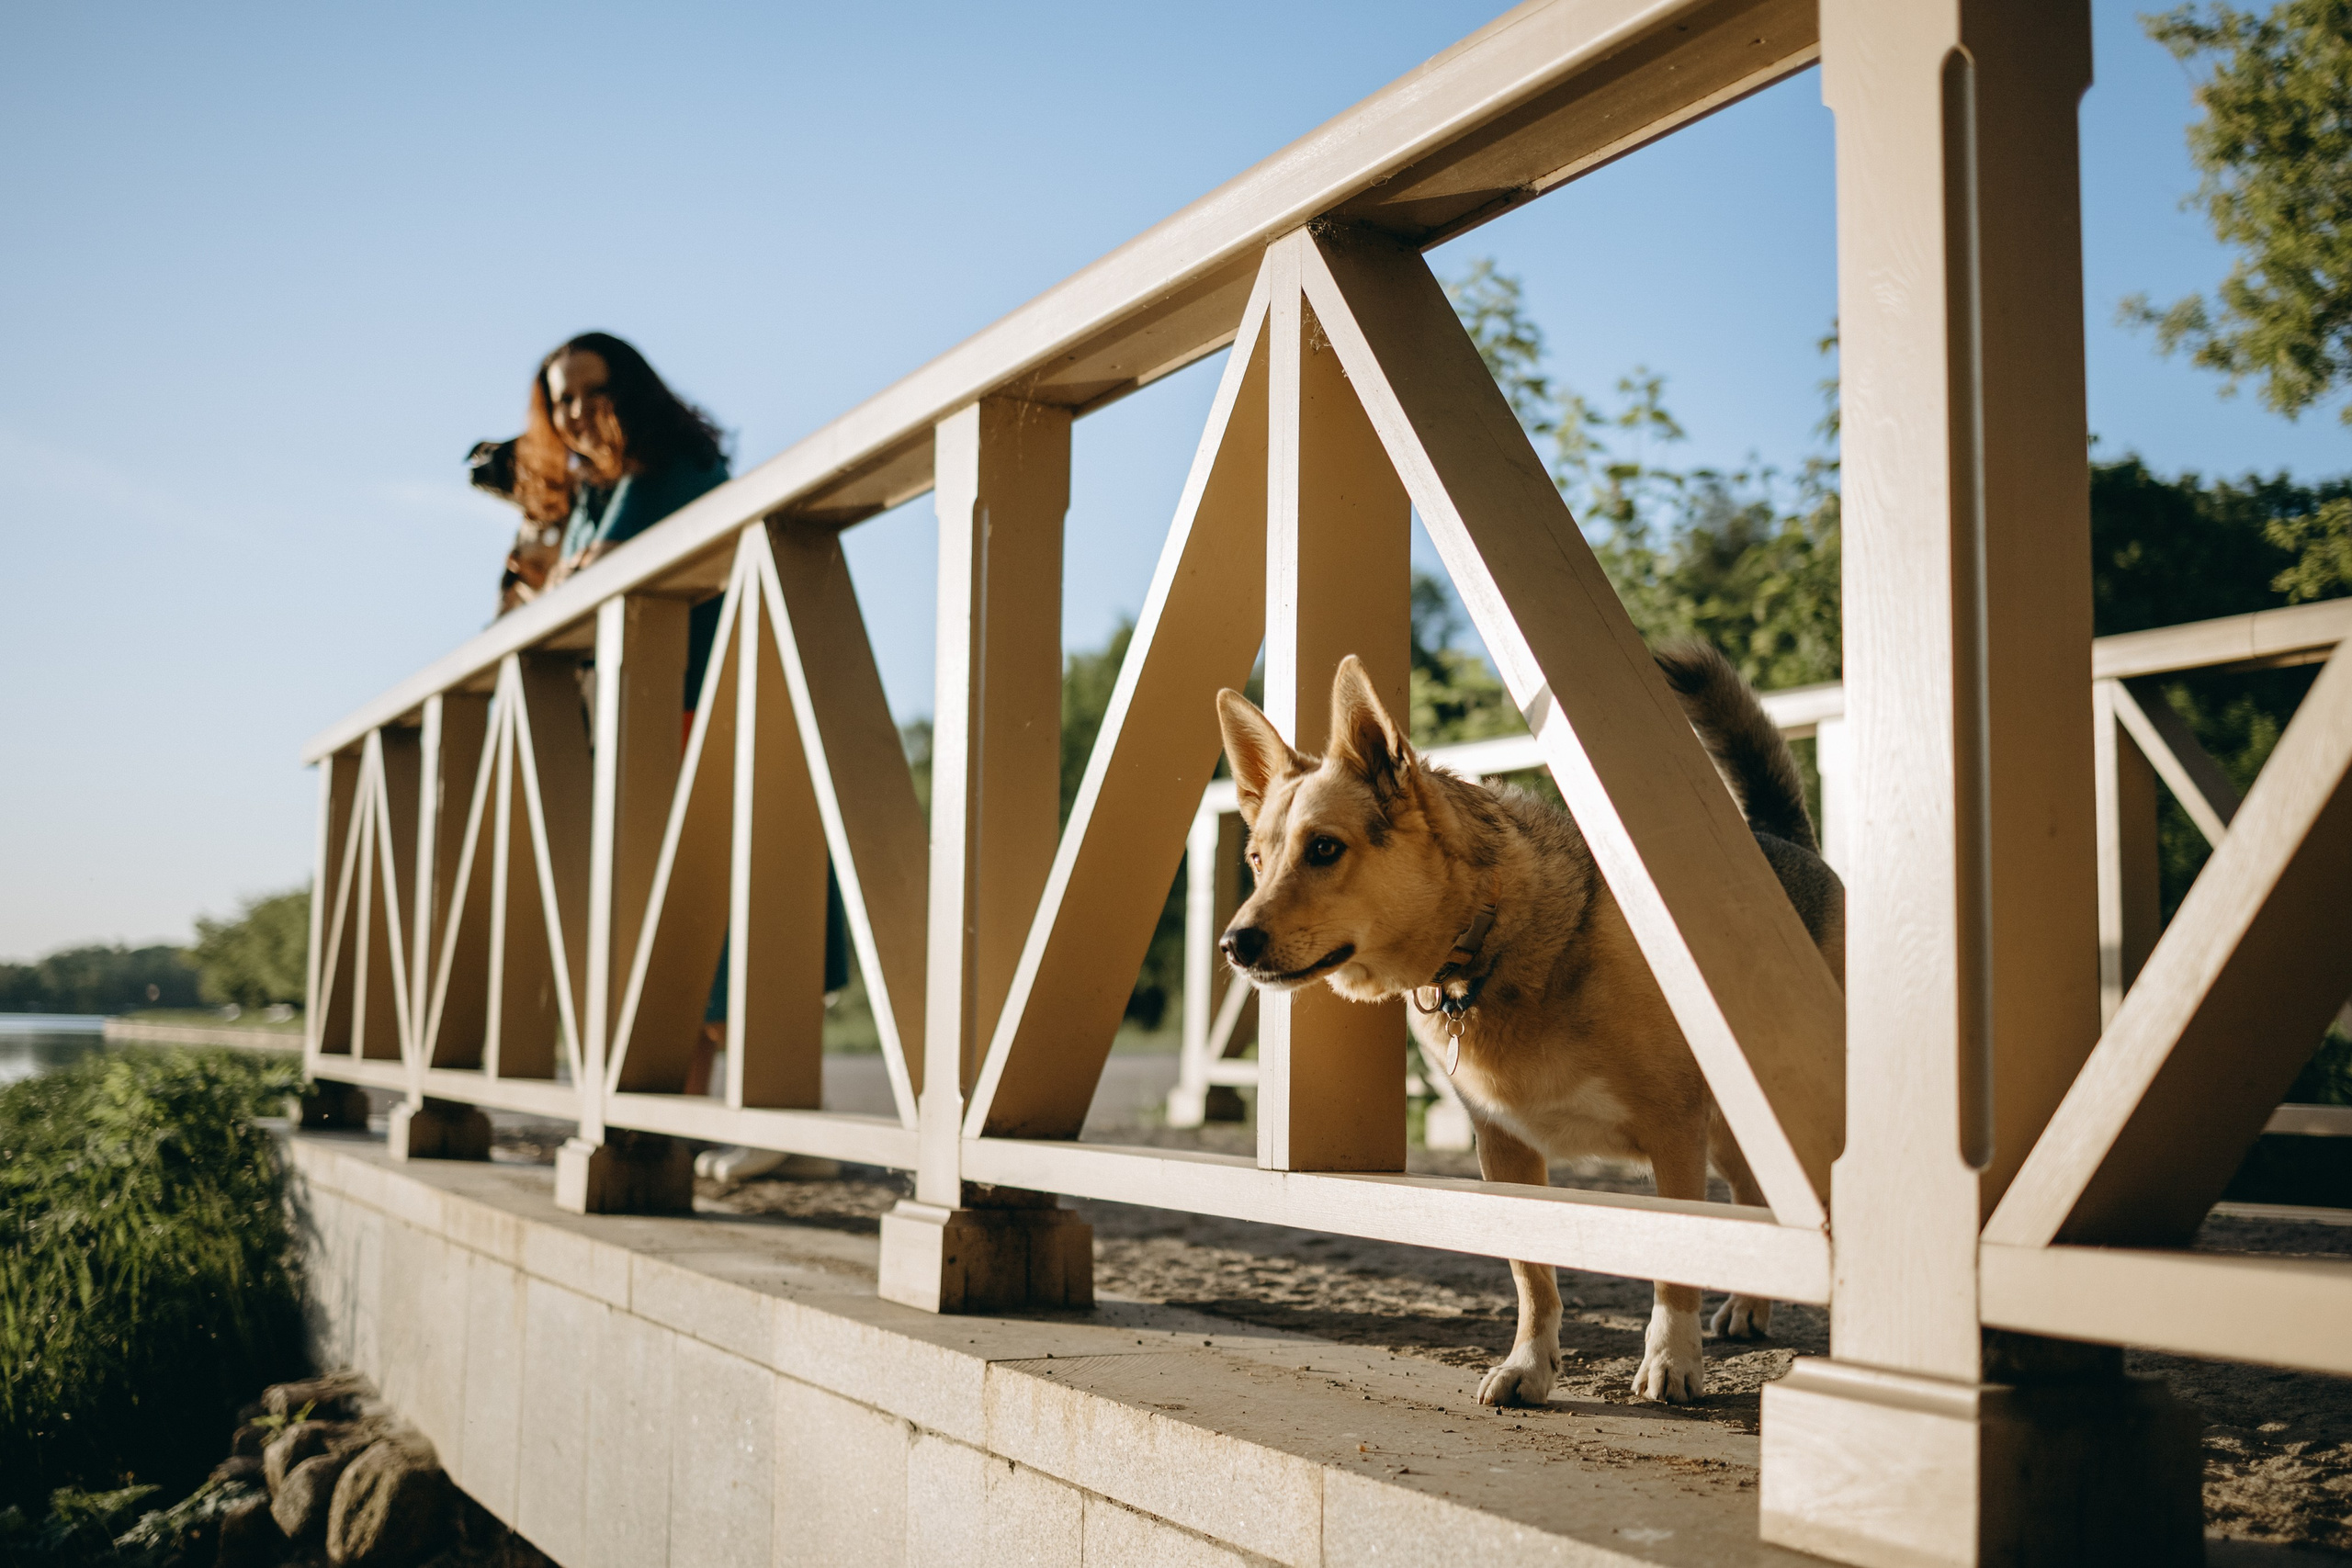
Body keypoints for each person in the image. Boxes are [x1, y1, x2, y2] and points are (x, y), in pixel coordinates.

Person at [491, 333, 848, 1179]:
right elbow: (527, 611)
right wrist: (533, 547)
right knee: (666, 933)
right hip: (643, 725)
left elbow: (605, 585)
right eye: (560, 398)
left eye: (591, 390)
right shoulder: (593, 493)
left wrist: (571, 566)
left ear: (633, 391)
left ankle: (784, 1119)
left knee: (713, 917)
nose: (576, 410)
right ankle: (676, 1128)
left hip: (705, 713)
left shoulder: (674, 472)